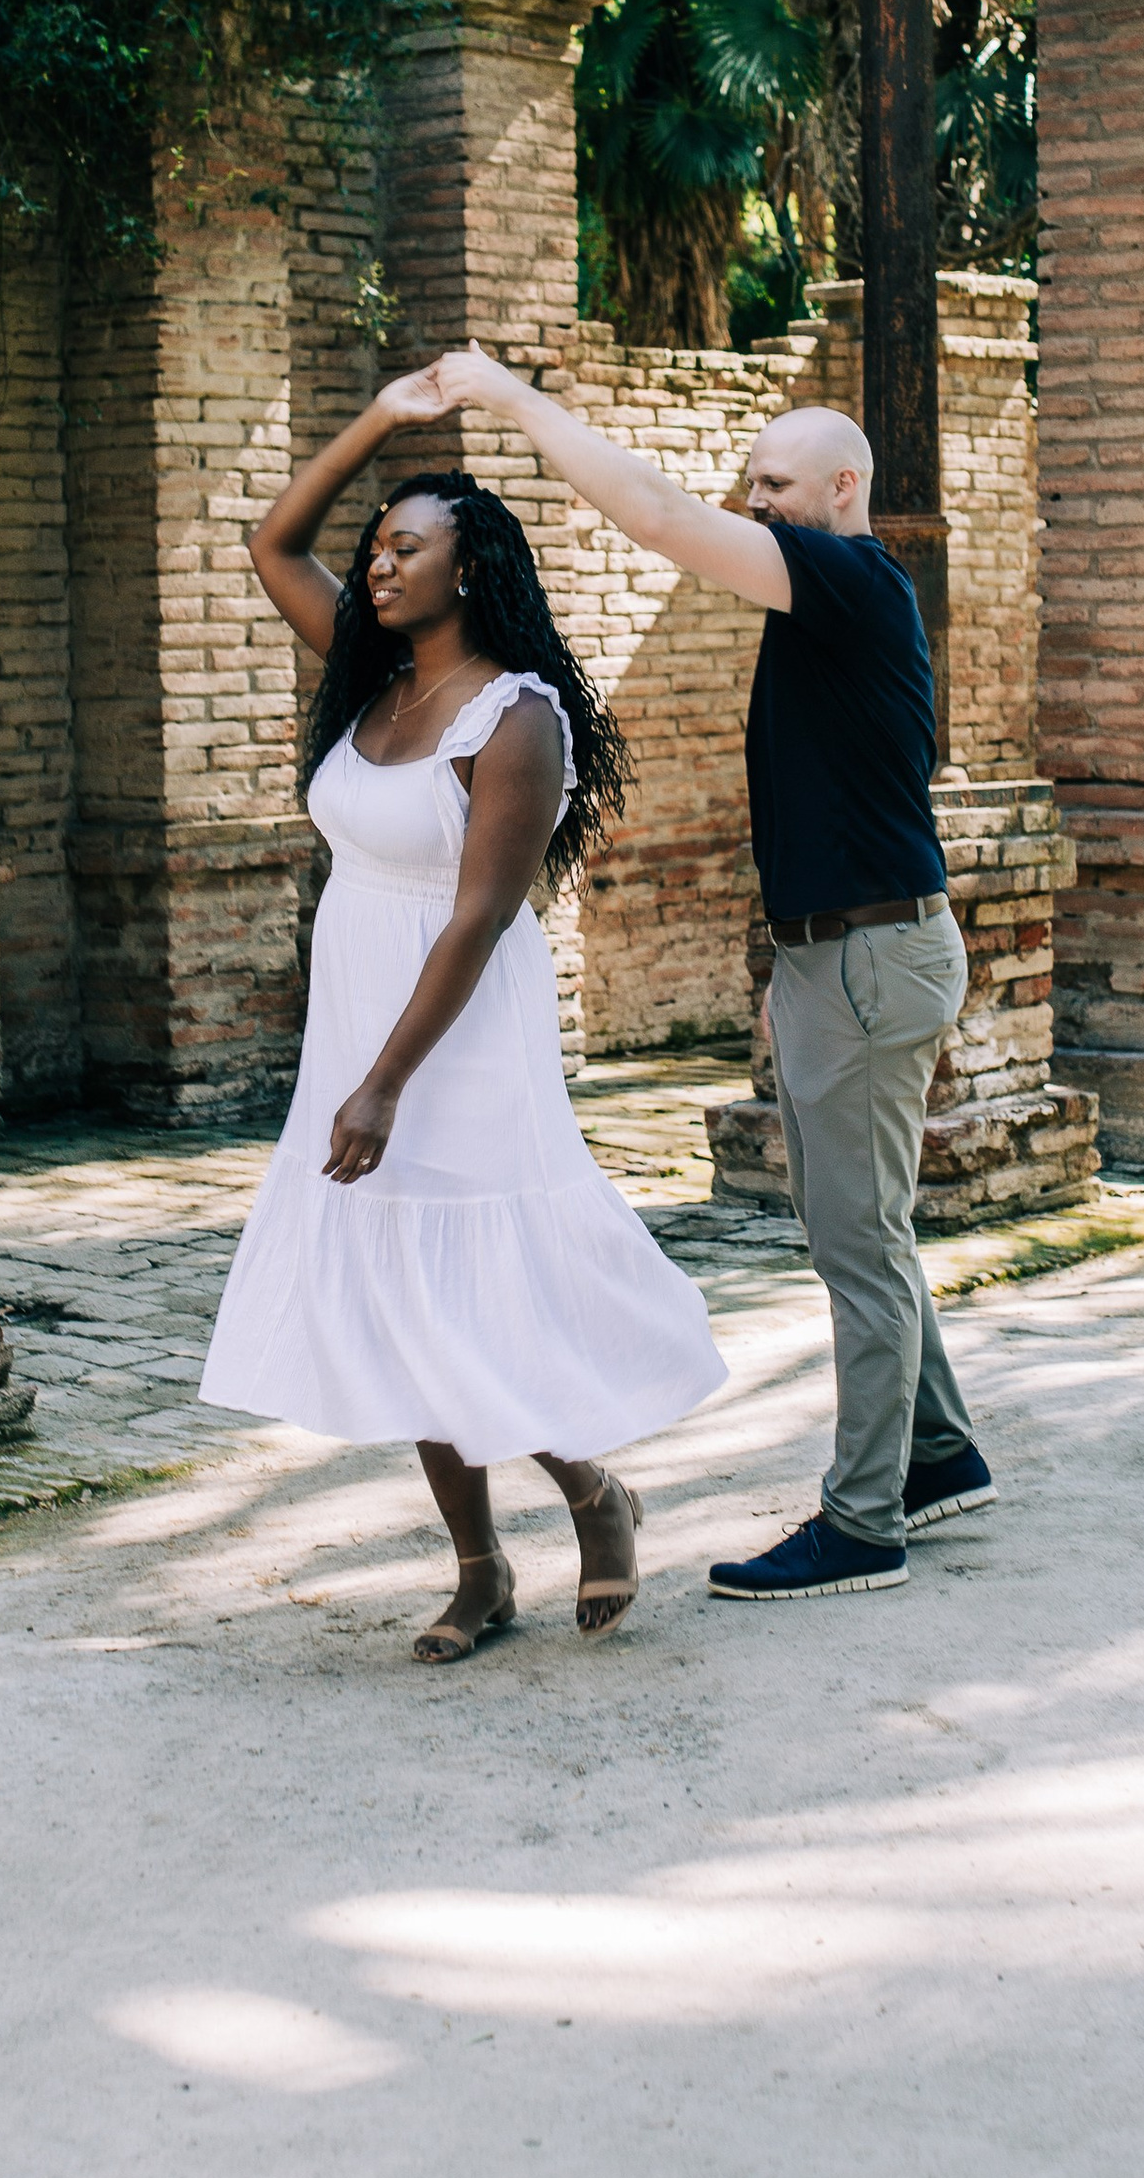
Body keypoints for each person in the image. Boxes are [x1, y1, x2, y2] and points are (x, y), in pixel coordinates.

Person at [428, 349, 996, 1608]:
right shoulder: (829, 601)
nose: (756, 502)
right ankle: (939, 1456)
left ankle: (863, 1525)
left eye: (777, 484)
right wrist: (791, 969)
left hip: (865, 959)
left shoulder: (848, 577)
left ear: (843, 487)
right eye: (751, 482)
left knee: (857, 1247)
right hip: (840, 955)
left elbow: (657, 516)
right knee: (863, 1229)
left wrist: (512, 400)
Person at [199, 366, 725, 1662]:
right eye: (376, 548)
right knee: (397, 1291)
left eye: (407, 548)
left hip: (460, 1030)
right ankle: (480, 1571)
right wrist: (386, 420)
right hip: (359, 1008)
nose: (378, 566)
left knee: (471, 1295)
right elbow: (272, 542)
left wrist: (384, 1082)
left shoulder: (515, 717)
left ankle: (594, 1496)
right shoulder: (370, 679)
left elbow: (482, 917)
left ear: (472, 568)